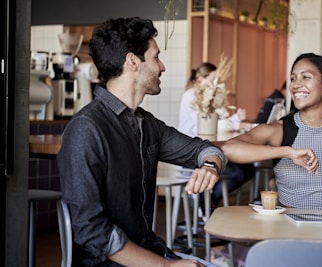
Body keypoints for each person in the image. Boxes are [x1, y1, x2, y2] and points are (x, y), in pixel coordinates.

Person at [57, 17, 227, 267]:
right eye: (156, 57)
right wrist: (166, 266)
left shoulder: (146, 124)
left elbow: (206, 150)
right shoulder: (86, 129)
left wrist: (210, 167)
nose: (162, 67)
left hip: (153, 251)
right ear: (133, 61)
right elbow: (92, 232)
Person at [221, 53, 322, 211]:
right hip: (285, 228)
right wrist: (287, 152)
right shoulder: (277, 131)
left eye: (305, 77)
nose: (295, 85)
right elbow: (228, 149)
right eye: (293, 78)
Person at [178, 62, 255, 210]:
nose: (215, 83)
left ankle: (209, 200)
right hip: (193, 151)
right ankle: (207, 202)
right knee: (238, 173)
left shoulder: (209, 97)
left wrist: (236, 119)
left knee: (248, 170)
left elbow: (217, 122)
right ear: (200, 78)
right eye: (212, 79)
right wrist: (235, 123)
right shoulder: (191, 96)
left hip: (209, 149)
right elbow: (206, 123)